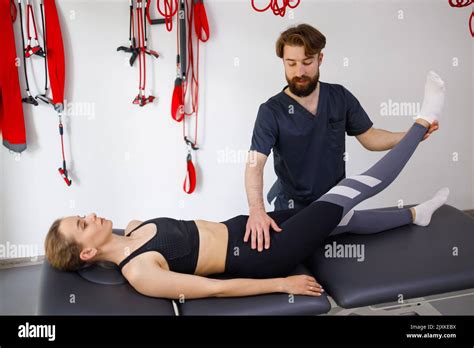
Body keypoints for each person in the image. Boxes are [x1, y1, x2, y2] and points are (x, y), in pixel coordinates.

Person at [45, 71, 447, 300]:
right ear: (89, 251)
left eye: (80, 214)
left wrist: (255, 212)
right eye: (82, 223)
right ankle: (424, 119)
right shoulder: (141, 272)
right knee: (352, 191)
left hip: (251, 226)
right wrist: (281, 283)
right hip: (263, 255)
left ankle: (416, 214)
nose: (90, 215)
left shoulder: (131, 229)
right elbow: (214, 290)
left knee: (344, 220)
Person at [244, 23, 440, 252]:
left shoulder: (339, 96)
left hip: (335, 199)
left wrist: (408, 137)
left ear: (320, 59)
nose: (299, 72)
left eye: (307, 62)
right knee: (341, 225)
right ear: (283, 62)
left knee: (346, 218)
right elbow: (254, 164)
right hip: (292, 207)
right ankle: (415, 213)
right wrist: (256, 210)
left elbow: (370, 137)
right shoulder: (271, 111)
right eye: (291, 63)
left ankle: (416, 212)